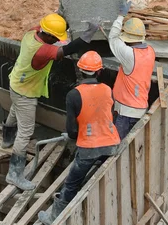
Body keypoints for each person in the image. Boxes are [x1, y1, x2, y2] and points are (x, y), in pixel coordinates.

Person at [3, 13, 98, 191]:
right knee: (25, 132)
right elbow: (67, 50)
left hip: (16, 82)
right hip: (26, 92)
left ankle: (6, 138)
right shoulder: (42, 51)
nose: (56, 41)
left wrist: (62, 15)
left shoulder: (32, 33)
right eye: (54, 38)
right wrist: (88, 34)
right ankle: (14, 174)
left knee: (15, 111)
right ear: (47, 36)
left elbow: (52, 28)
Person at [38, 51, 120, 224]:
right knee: (98, 169)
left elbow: (72, 130)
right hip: (112, 144)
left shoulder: (74, 95)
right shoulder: (107, 89)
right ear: (99, 72)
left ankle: (54, 217)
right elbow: (110, 116)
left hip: (89, 148)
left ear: (80, 70)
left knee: (72, 182)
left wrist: (73, 136)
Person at [108, 1, 156, 139]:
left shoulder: (130, 55)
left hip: (126, 112)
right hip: (140, 108)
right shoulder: (150, 51)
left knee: (117, 147)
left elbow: (112, 38)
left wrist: (120, 16)